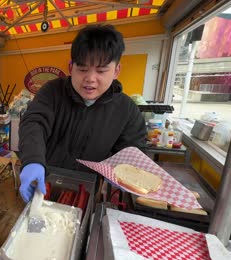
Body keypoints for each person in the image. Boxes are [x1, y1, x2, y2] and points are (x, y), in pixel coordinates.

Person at [18, 24, 147, 202]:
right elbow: (34, 122)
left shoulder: (126, 110)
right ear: (71, 67)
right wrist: (32, 160)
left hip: (87, 190)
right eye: (83, 69)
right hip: (43, 181)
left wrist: (125, 176)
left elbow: (133, 151)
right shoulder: (52, 92)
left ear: (116, 70)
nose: (90, 79)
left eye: (101, 70)